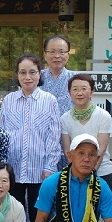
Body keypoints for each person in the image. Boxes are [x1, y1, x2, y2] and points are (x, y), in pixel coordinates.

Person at [0, 52, 62, 222]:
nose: (28, 77)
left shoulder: (49, 101)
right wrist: (3, 169)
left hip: (39, 172)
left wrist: (49, 168)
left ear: (39, 74)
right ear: (17, 75)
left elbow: (54, 138)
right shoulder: (8, 101)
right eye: (23, 72)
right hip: (13, 171)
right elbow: (1, 134)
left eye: (32, 72)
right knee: (13, 216)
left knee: (39, 218)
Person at [61, 73, 112, 222]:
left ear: (92, 91)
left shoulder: (103, 116)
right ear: (70, 93)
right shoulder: (65, 118)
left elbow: (100, 150)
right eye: (75, 89)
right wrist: (77, 174)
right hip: (76, 176)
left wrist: (89, 174)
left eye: (84, 88)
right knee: (79, 218)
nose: (79, 92)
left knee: (95, 219)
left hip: (101, 173)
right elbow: (68, 150)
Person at [41, 34, 75, 170]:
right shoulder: (36, 78)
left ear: (68, 55)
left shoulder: (76, 79)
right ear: (45, 55)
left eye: (62, 52)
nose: (57, 56)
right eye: (52, 52)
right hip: (42, 143)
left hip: (70, 140)